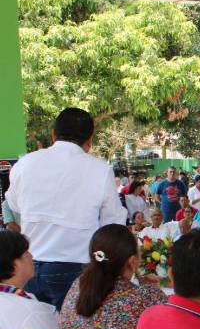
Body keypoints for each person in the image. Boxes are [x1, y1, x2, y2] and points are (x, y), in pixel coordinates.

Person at [6, 108, 128, 310]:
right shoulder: (100, 170)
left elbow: (14, 205)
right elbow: (112, 224)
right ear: (89, 141)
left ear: (54, 134)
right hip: (75, 268)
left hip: (28, 266)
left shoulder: (25, 163)